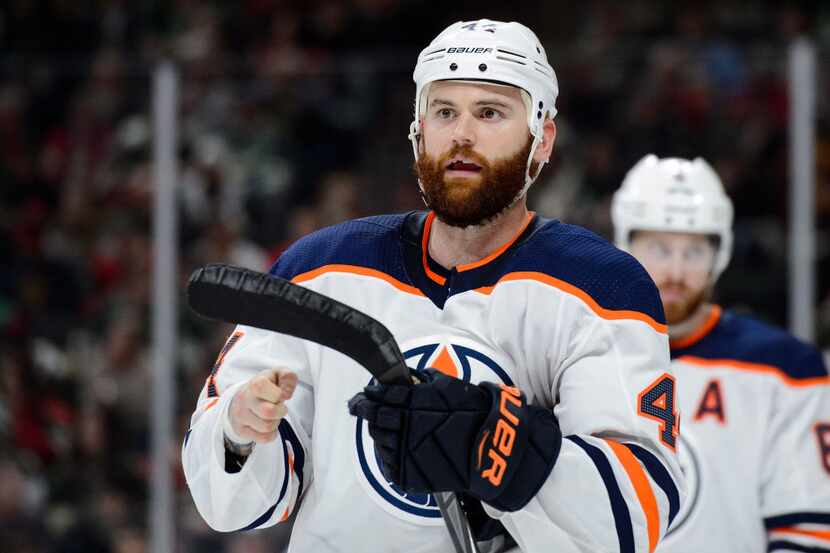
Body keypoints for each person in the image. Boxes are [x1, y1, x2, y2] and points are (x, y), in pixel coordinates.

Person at [182, 20, 684, 553]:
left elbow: (635, 518)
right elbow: (230, 505)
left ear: (543, 139)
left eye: (490, 112)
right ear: (419, 129)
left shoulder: (602, 286)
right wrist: (240, 432)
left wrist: (494, 444)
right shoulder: (320, 269)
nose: (461, 134)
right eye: (444, 111)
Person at [611, 154, 830, 552]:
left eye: (693, 252)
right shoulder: (573, 354)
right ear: (625, 246)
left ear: (720, 255)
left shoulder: (784, 369)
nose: (675, 271)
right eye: (658, 248)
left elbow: (808, 532)